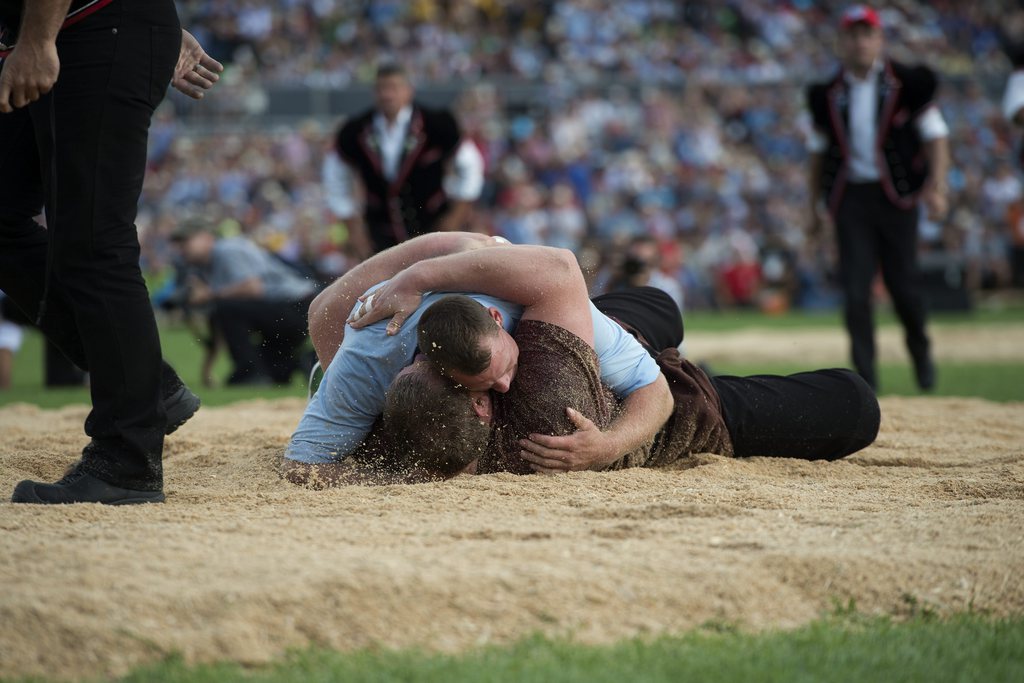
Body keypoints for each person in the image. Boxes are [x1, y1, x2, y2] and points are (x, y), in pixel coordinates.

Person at [361, 246, 879, 480]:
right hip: (682, 404)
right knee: (856, 406)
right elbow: (560, 271)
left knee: (658, 304)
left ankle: (633, 323)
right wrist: (608, 446)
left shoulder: (404, 432)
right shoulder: (546, 409)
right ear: (472, 401)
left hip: (614, 342)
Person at [1, 0, 222, 504]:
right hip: (60, 27)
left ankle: (126, 461)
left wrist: (37, 40)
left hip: (85, 28)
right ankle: (147, 386)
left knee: (94, 242)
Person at [283, 233, 674, 487]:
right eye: (485, 383)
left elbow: (656, 390)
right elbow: (302, 467)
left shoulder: (532, 295)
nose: (504, 385)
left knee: (661, 310)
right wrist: (388, 481)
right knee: (325, 317)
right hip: (379, 348)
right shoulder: (368, 362)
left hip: (623, 317)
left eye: (503, 368)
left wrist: (607, 446)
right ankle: (332, 390)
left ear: (497, 319)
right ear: (434, 368)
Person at [806, 5, 950, 392]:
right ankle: (866, 381)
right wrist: (813, 207)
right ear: (842, 41)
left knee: (904, 287)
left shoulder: (909, 83)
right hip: (851, 197)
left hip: (897, 198)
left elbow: (936, 135)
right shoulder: (827, 93)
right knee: (855, 292)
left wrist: (937, 186)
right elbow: (818, 152)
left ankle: (920, 352)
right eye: (853, 35)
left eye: (867, 34)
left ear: (879, 39)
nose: (860, 42)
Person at [323, 62, 485, 259]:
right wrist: (353, 227)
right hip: (379, 234)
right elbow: (335, 177)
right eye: (381, 88)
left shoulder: (438, 123)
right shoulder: (355, 131)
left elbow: (471, 167)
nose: (387, 95)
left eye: (394, 88)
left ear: (409, 90)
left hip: (434, 229)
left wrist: (455, 217)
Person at [170, 219, 320, 386]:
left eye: (185, 241)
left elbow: (253, 288)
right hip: (289, 309)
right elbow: (218, 319)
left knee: (227, 308)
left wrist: (210, 295)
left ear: (206, 237)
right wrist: (207, 370)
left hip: (297, 306)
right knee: (275, 373)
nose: (181, 249)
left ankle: (249, 371)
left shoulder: (226, 250)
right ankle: (305, 361)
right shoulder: (206, 265)